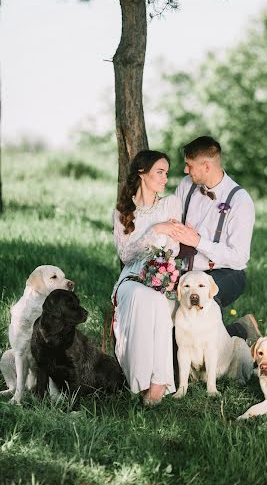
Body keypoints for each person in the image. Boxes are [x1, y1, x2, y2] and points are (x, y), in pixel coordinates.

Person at [111, 150, 181, 405]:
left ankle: (158, 382)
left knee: (157, 300)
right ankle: (140, 381)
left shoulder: (170, 204)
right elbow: (126, 254)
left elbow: (173, 247)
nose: (165, 177)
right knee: (142, 296)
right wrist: (155, 230)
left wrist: (161, 265)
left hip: (163, 274)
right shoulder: (122, 212)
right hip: (131, 278)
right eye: (159, 172)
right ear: (142, 173)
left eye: (166, 172)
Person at [174, 136, 260, 341]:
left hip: (226, 272)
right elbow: (173, 221)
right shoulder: (187, 185)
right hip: (188, 271)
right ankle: (240, 329)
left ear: (206, 166)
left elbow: (239, 258)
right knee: (172, 326)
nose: (185, 171)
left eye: (189, 165)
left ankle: (238, 334)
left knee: (205, 303)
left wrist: (198, 241)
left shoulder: (240, 200)